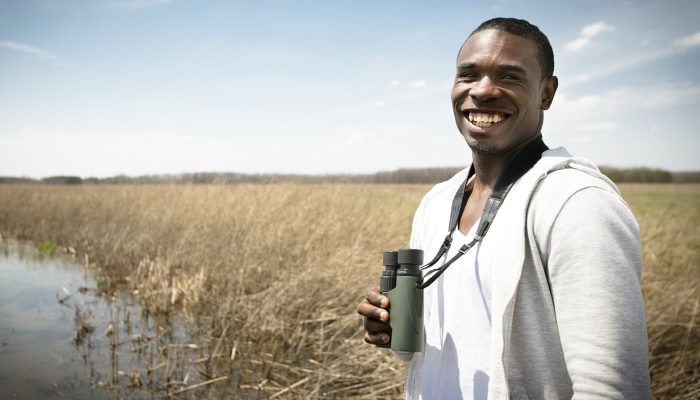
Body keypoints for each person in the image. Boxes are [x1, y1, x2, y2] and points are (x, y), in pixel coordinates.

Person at [357, 17, 651, 399]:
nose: (483, 90)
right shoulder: (437, 202)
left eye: (509, 76)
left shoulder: (576, 203)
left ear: (546, 92)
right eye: (469, 74)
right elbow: (441, 346)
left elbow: (613, 387)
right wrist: (393, 328)